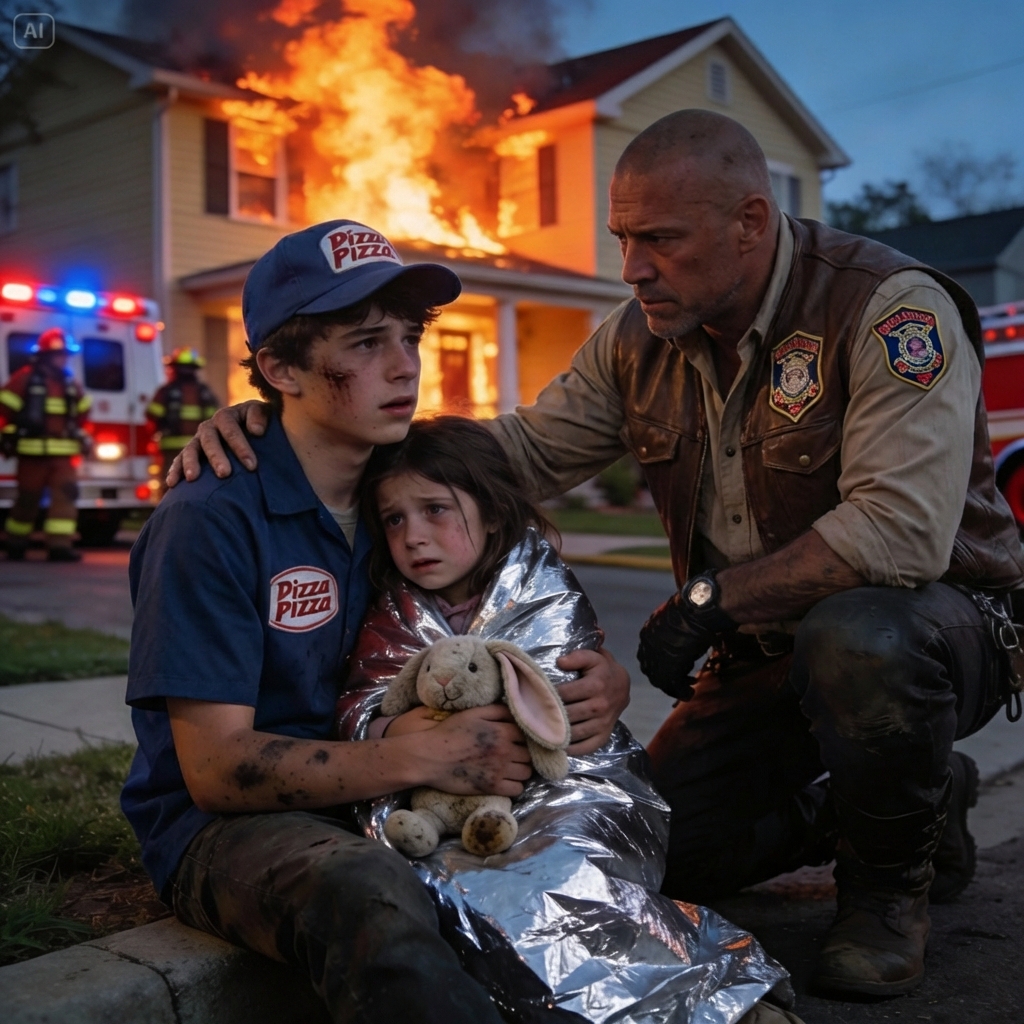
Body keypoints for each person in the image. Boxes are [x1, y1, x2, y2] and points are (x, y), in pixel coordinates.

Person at [173, 109, 1024, 1002]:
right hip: (762, 655)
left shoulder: (889, 310)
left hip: (930, 630)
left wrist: (705, 606)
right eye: (622, 238)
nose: (632, 267)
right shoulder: (639, 338)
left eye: (660, 239)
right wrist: (288, 426)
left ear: (749, 221)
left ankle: (888, 894)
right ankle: (897, 806)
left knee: (860, 638)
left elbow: (898, 532)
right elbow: (515, 455)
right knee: (661, 847)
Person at [121, 219, 628, 1024]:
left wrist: (591, 684)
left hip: (403, 790)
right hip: (233, 829)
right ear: (280, 369)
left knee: (597, 845)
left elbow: (506, 614)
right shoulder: (211, 519)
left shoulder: (401, 492)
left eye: (408, 338)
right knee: (372, 892)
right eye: (364, 344)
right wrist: (424, 754)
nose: (404, 366)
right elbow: (215, 769)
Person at [337, 414, 796, 1022]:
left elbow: (564, 702)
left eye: (436, 510)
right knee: (451, 885)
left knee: (561, 868)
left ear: (492, 512)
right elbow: (364, 704)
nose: (414, 536)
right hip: (439, 804)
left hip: (570, 785)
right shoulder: (392, 609)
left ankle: (718, 999)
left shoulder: (540, 585)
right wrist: (400, 733)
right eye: (394, 519)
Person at [0, 327, 91, 561]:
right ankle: (15, 542)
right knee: (27, 499)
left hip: (63, 457)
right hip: (31, 455)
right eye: (59, 355)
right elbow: (4, 410)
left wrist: (83, 436)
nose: (63, 359)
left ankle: (59, 546)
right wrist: (9, 434)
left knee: (66, 495)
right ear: (45, 356)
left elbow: (83, 413)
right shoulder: (24, 379)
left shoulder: (70, 384)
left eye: (65, 355)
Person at [145, 347, 219, 491]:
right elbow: (215, 418)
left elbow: (152, 415)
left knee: (170, 483)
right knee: (197, 482)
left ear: (174, 368)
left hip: (171, 447)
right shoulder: (204, 392)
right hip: (200, 447)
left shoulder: (166, 391)